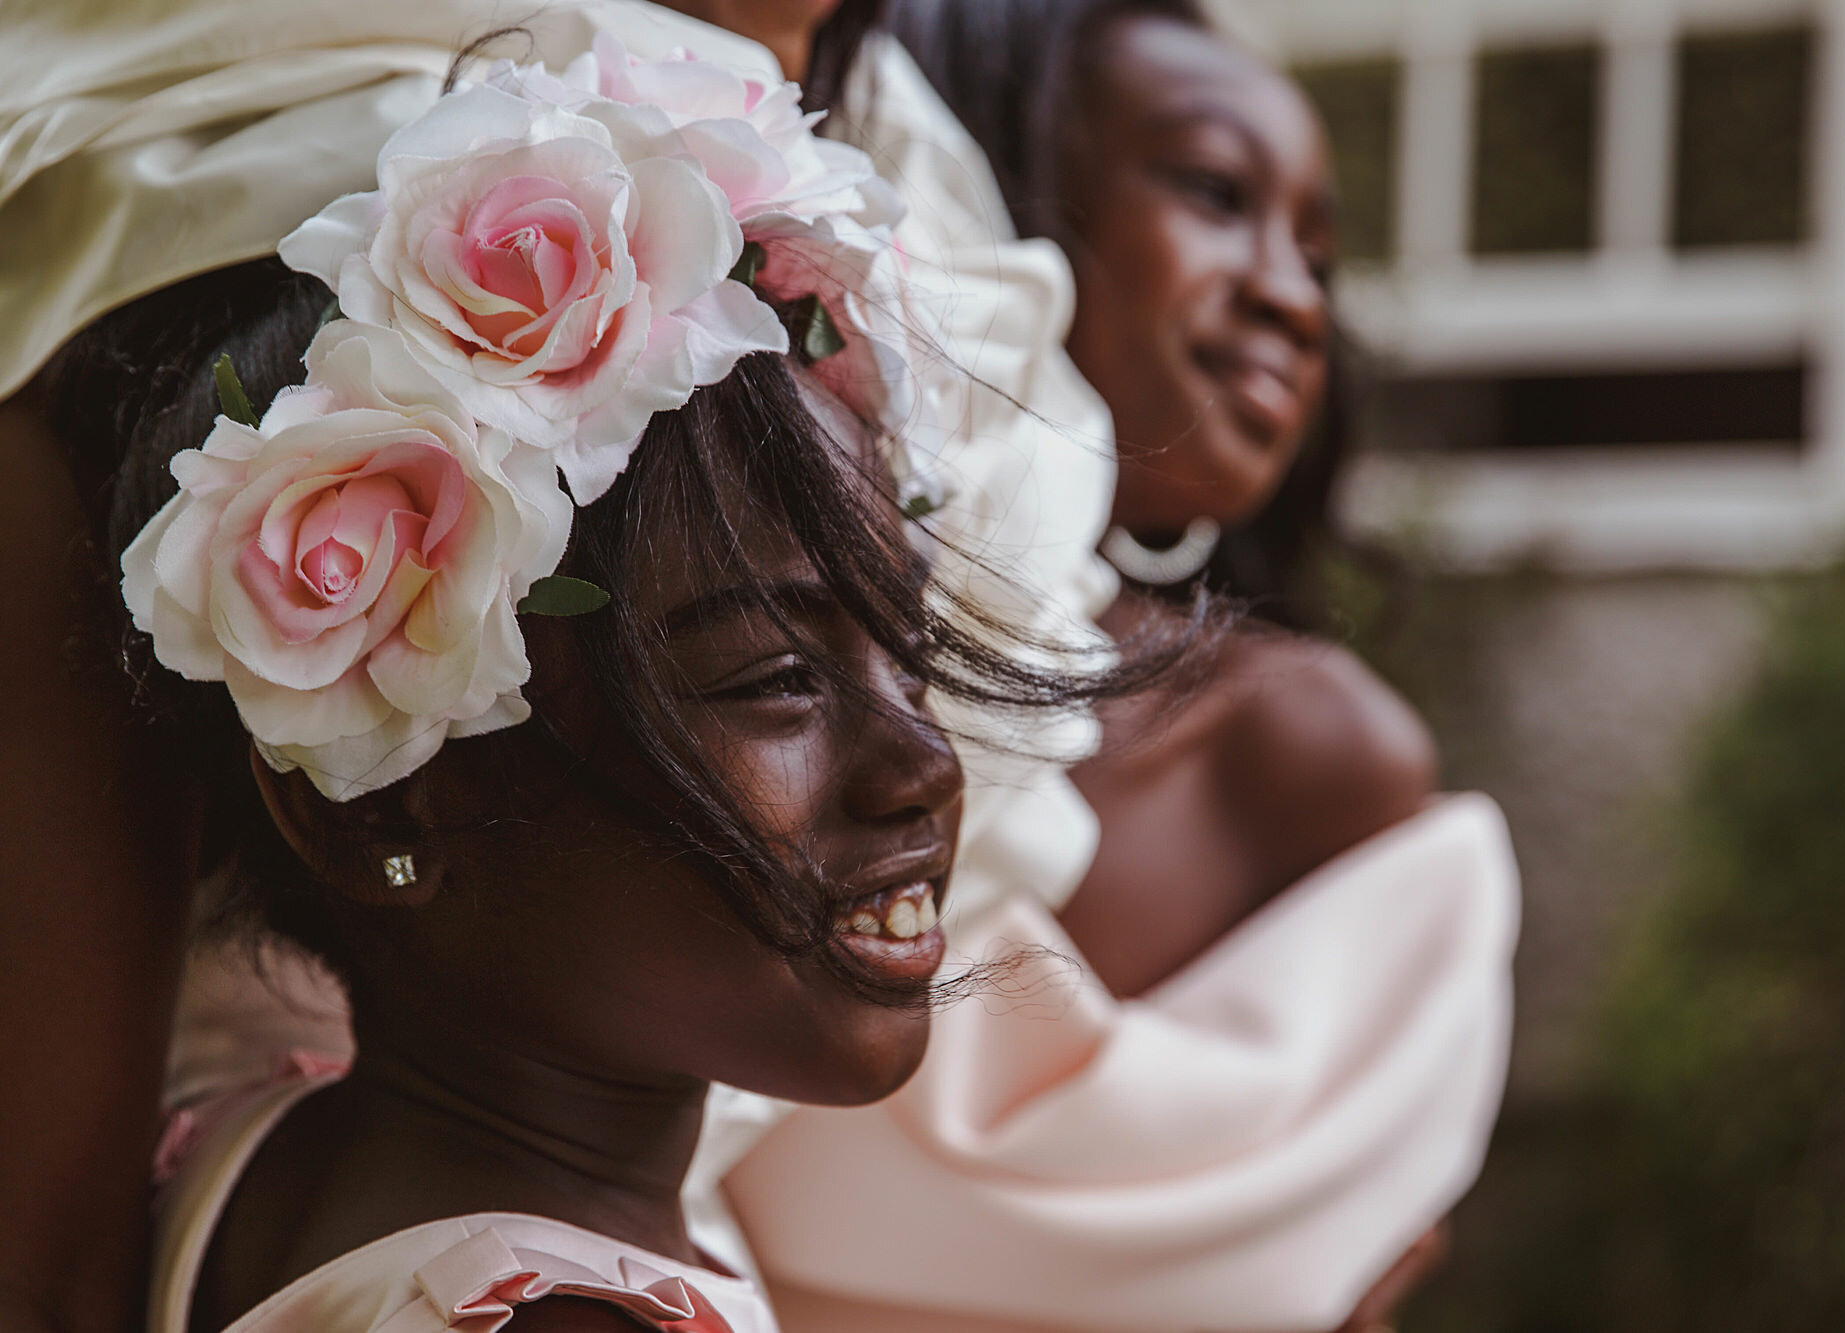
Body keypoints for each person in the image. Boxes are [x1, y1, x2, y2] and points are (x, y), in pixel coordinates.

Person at [35, 27, 1184, 1332]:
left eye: (908, 647)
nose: (923, 763)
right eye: (780, 681)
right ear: (383, 804)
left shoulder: (259, 1162)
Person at [718, 7, 1519, 1333]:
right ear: (987, 191)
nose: (1287, 291)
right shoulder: (726, 654)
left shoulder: (1304, 751)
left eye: (1319, 254)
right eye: (1215, 193)